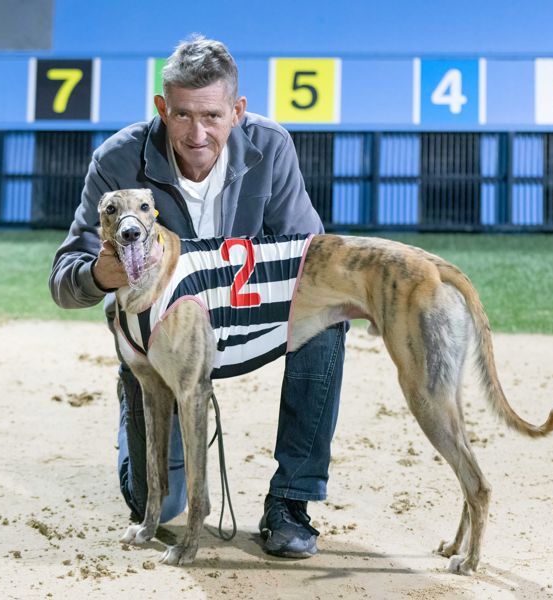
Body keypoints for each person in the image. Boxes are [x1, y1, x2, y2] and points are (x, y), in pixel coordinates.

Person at [49, 35, 346, 559]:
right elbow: (63, 280)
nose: (197, 133)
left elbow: (309, 257)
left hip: (244, 322)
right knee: (159, 505)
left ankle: (290, 502)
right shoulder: (118, 160)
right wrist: (101, 273)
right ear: (162, 108)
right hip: (162, 345)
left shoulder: (271, 147)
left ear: (237, 111)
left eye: (212, 115)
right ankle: (141, 417)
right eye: (182, 114)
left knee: (325, 315)